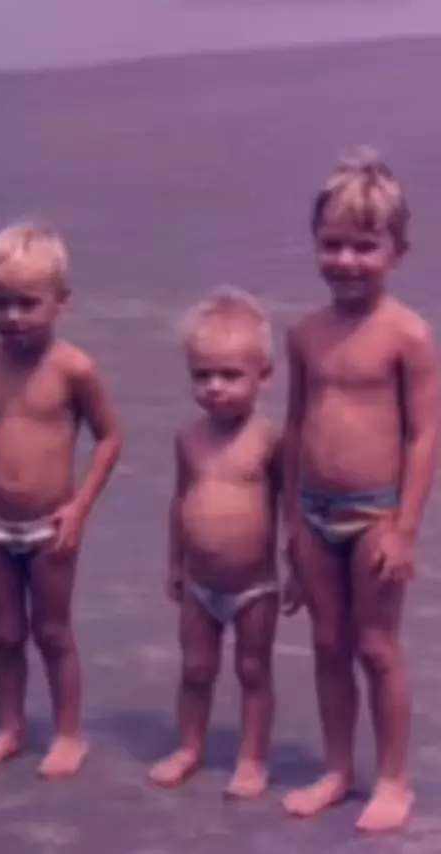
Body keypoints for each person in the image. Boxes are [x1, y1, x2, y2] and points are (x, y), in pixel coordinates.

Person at [281, 149, 438, 832]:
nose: (345, 260)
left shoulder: (407, 336)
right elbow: (294, 425)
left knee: (376, 647)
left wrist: (404, 529)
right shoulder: (304, 333)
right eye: (332, 244)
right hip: (313, 513)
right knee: (326, 644)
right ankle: (338, 768)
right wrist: (291, 523)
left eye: (364, 246)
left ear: (397, 251)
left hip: (375, 512)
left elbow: (423, 436)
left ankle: (394, 779)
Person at [0, 223, 121, 778]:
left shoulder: (74, 369)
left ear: (60, 302)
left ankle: (69, 733)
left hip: (52, 527)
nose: (12, 316)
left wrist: (79, 508)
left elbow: (110, 437)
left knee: (53, 632)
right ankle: (10, 727)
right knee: (5, 631)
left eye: (27, 303)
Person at [148, 287, 283, 798]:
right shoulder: (188, 439)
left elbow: (290, 508)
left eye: (230, 375)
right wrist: (174, 563)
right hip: (199, 582)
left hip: (255, 585)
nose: (215, 387)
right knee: (195, 669)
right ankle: (189, 746)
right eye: (202, 375)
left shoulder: (270, 440)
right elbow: (180, 499)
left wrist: (299, 566)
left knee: (253, 670)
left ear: (263, 376)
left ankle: (251, 758)